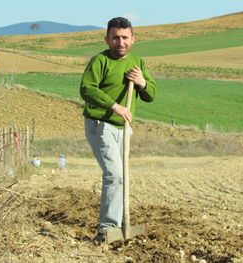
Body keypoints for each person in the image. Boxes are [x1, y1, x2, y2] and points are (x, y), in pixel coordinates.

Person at [80, 17, 157, 243]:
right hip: (100, 124)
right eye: (115, 37)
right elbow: (86, 89)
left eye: (124, 37)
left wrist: (142, 82)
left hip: (124, 127)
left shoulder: (137, 62)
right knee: (114, 174)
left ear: (133, 39)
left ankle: (120, 222)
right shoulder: (100, 61)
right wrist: (115, 106)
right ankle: (107, 229)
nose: (120, 42)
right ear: (107, 39)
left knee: (122, 176)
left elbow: (151, 95)